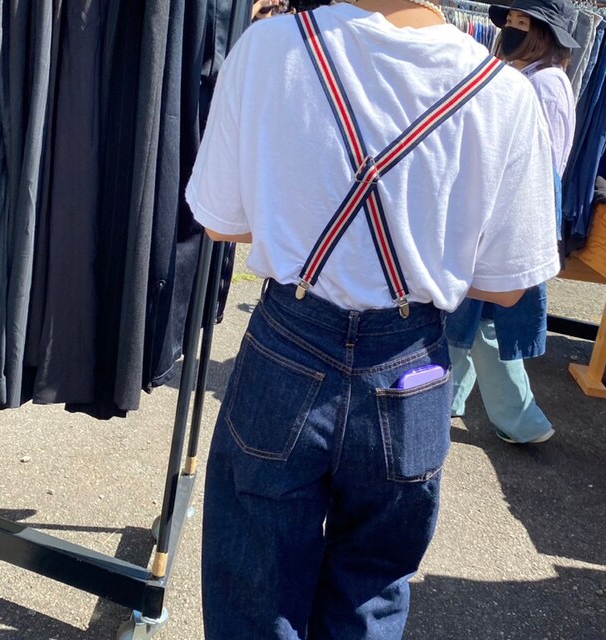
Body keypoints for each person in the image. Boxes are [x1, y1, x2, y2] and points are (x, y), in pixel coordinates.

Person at [186, 1, 559, 638]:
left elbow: (221, 221)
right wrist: (428, 254)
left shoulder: (269, 48)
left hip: (288, 340)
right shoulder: (506, 93)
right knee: (370, 591)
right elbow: (506, 288)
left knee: (254, 583)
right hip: (409, 362)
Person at [446, 0, 577, 445]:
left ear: (545, 34)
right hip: (504, 210)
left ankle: (522, 421)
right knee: (473, 312)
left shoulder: (545, 83)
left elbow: (543, 163)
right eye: (513, 22)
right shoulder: (528, 76)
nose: (514, 30)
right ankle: (451, 398)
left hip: (513, 213)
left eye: (525, 23)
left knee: (486, 316)